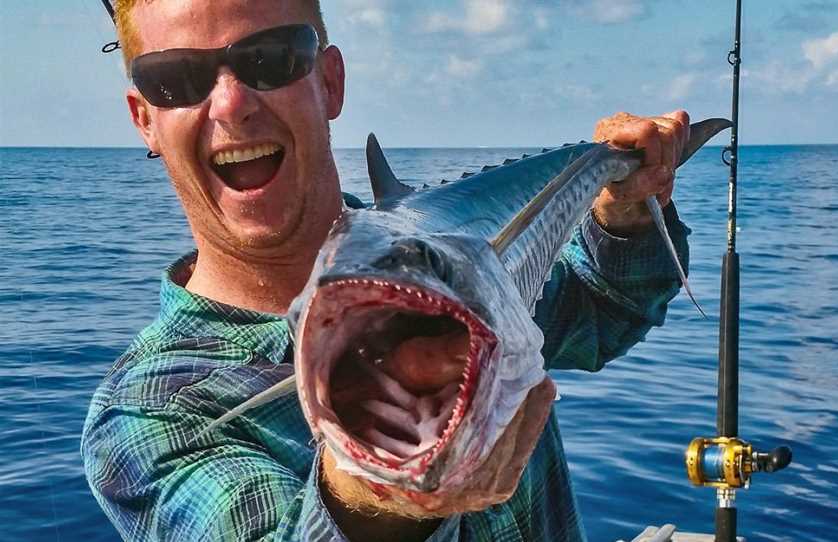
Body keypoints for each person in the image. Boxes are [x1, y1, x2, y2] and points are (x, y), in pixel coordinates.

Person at [82, 1, 693, 540]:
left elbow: (602, 310)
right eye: (175, 78)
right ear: (144, 119)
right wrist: (376, 499)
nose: (232, 103)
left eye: (269, 58)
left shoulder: (453, 266)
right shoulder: (147, 415)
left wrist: (627, 214)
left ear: (330, 81)